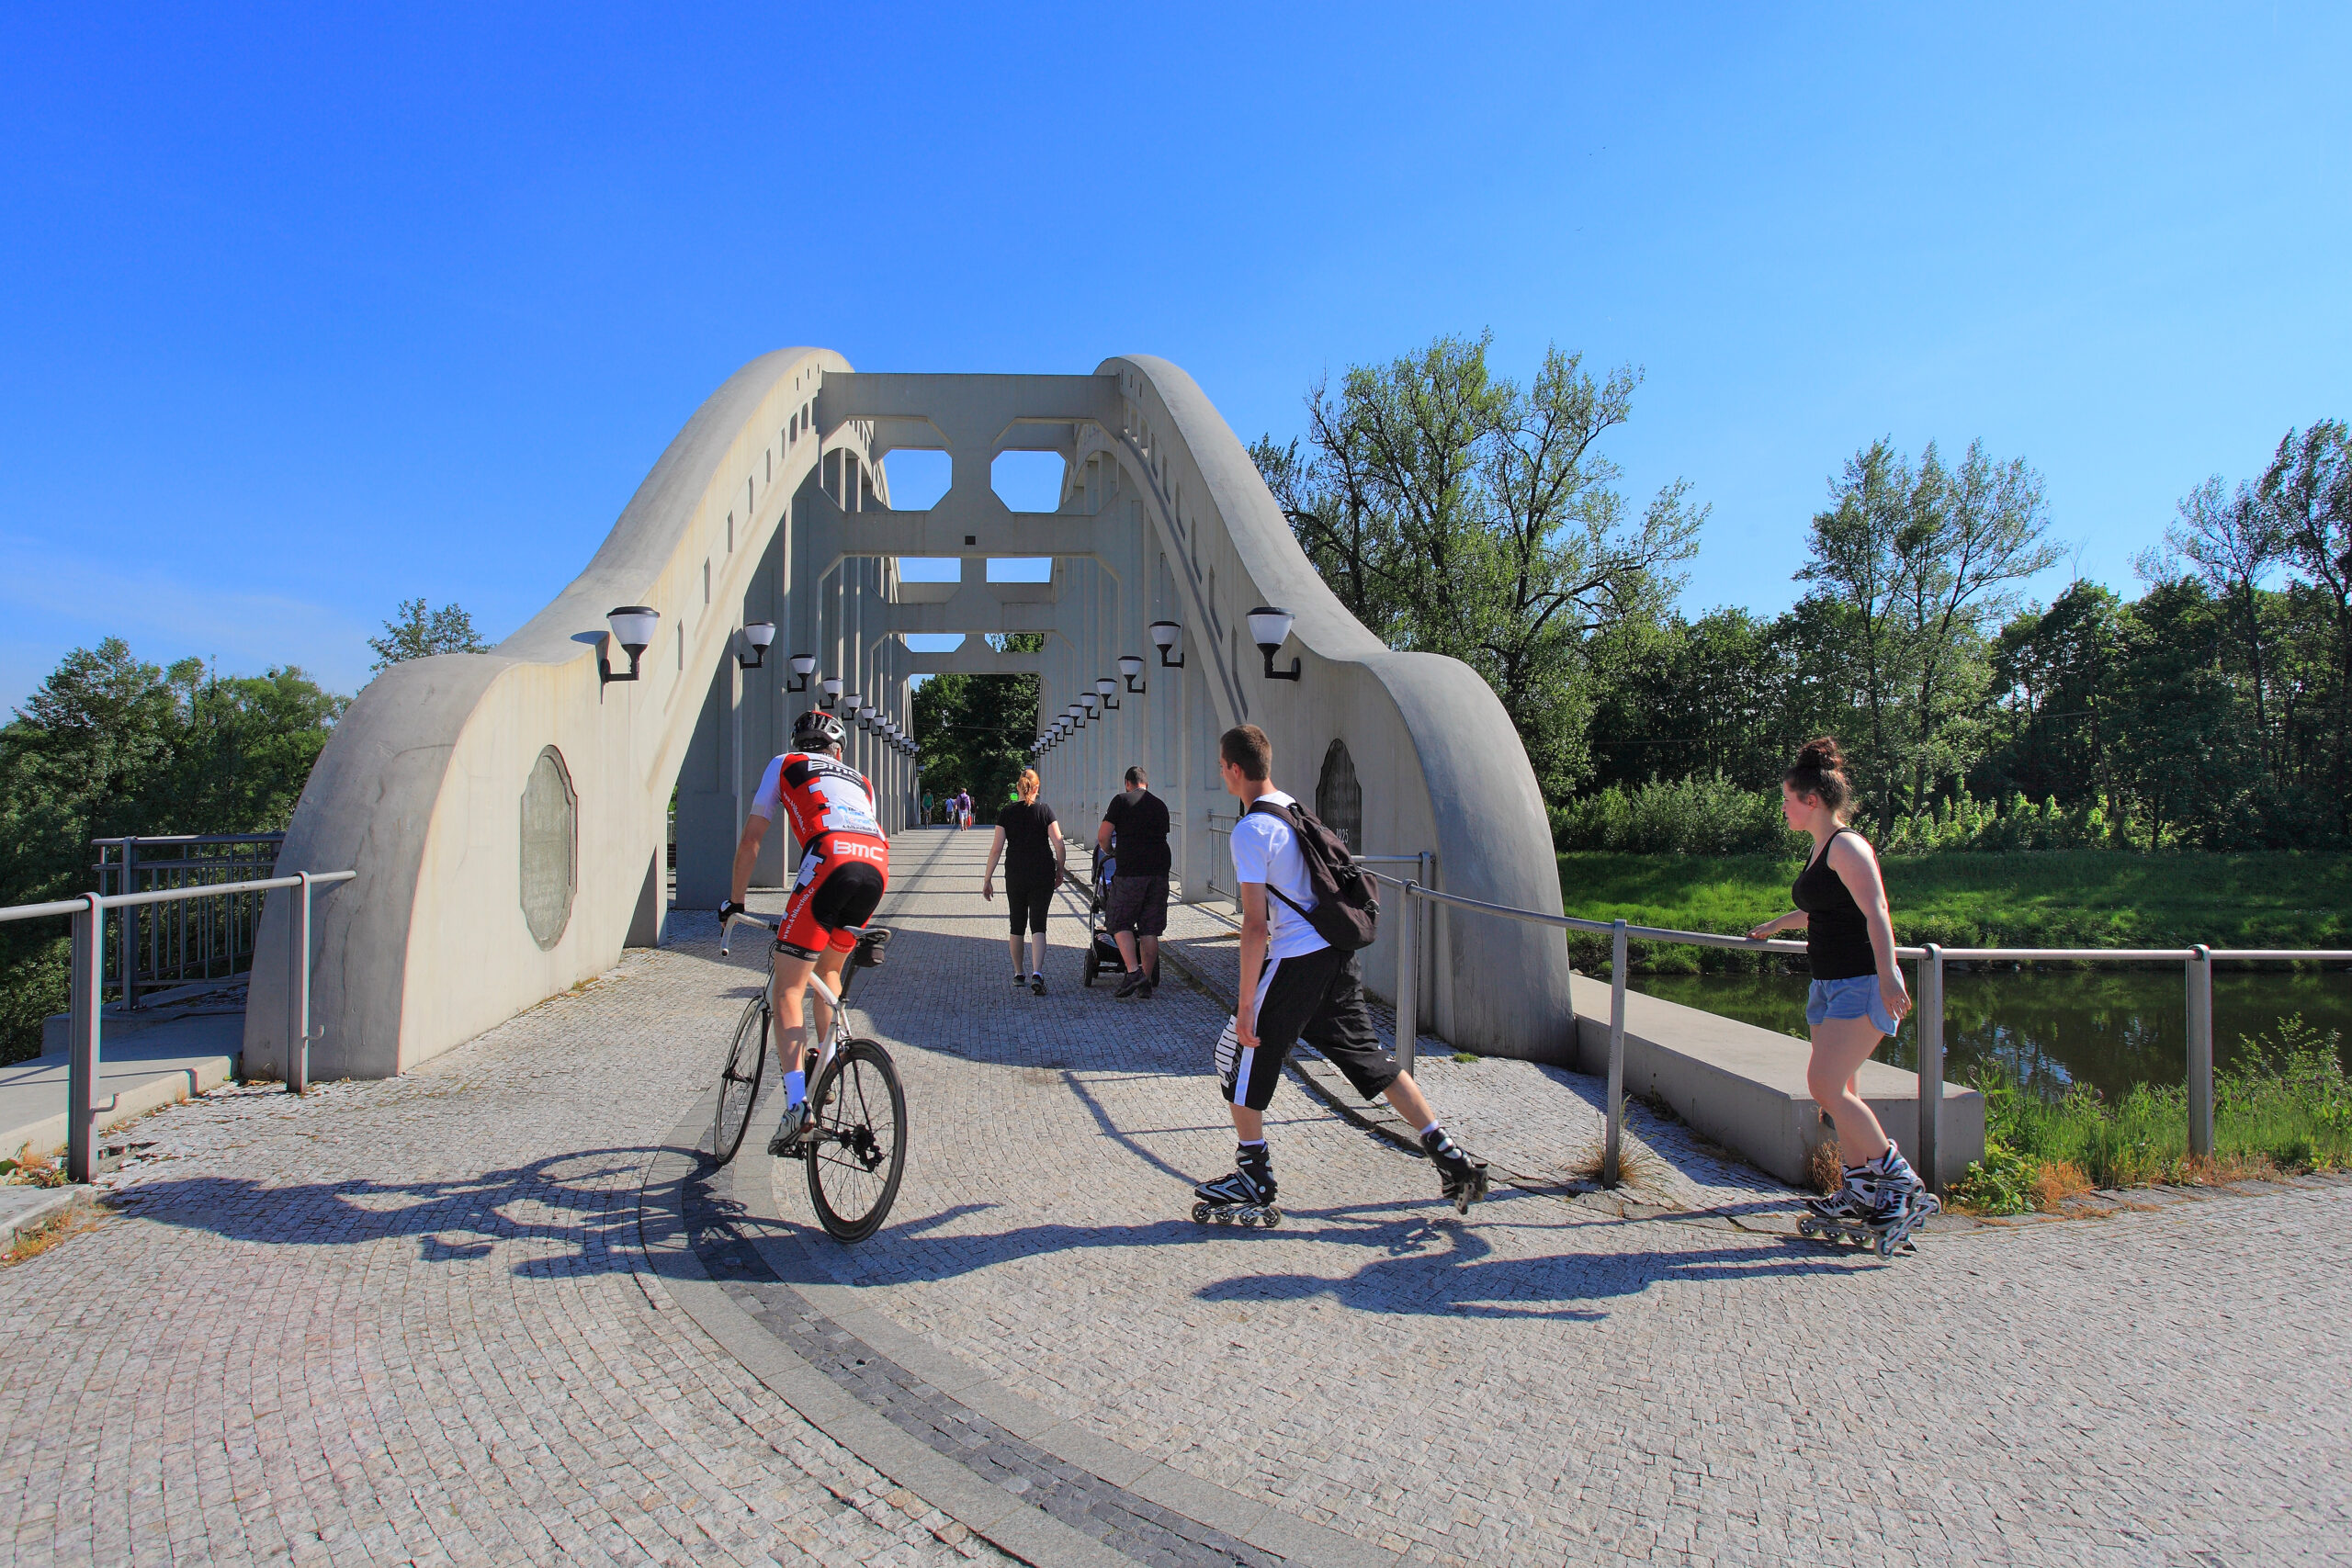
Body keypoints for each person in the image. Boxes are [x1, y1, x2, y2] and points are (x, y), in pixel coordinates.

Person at [1193, 723, 1487, 1219]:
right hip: (1335, 956)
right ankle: (1449, 1155)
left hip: (1296, 961)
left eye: (1222, 767)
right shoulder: (1292, 809)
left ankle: (1254, 1176)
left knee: (1235, 1053)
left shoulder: (1251, 830)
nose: (1221, 774)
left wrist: (1246, 1005)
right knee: (1369, 1060)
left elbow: (1255, 925)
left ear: (1236, 770)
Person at [1745, 736, 1932, 1226]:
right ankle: (1860, 1190)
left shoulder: (1847, 846)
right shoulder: (1820, 849)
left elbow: (1876, 910)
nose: (1783, 808)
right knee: (1839, 1092)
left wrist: (1890, 972)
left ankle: (1899, 1182)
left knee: (1824, 1084)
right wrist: (1774, 926)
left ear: (1812, 801)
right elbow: (1822, 911)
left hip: (1860, 982)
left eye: (1788, 799)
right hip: (1827, 985)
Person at [719, 708, 889, 1157]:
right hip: (876, 864)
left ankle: (797, 1104)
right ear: (837, 751)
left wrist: (735, 903)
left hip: (830, 857)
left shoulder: (785, 764)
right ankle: (828, 1062)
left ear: (801, 745)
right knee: (829, 970)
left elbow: (751, 840)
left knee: (788, 987)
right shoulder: (861, 781)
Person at [984, 768, 1066, 995]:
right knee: (1038, 924)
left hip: (1016, 873)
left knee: (1016, 923)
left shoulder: (1006, 813)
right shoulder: (1045, 811)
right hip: (1042, 873)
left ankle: (1019, 973)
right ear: (1037, 788)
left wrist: (987, 878)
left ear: (1018, 787)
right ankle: (1037, 973)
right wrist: (1060, 869)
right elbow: (1059, 844)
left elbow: (996, 849)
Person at [1096, 765, 1170, 998]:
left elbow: (1103, 837)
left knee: (1118, 922)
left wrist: (1110, 852)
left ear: (1128, 783)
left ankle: (1133, 972)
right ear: (1146, 784)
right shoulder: (1160, 805)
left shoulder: (1121, 800)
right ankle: (1145, 983)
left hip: (1131, 872)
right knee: (1150, 929)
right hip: (1159, 872)